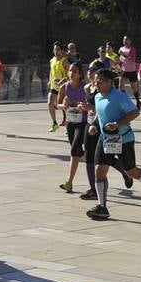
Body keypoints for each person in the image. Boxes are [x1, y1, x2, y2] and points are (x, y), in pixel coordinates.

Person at [85, 67, 141, 219]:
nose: (96, 84)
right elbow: (100, 114)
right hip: (105, 139)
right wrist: (94, 125)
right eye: (95, 81)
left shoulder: (119, 96)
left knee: (130, 172)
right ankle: (102, 207)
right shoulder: (97, 96)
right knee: (99, 170)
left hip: (124, 139)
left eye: (99, 81)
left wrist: (117, 124)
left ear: (109, 82)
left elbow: (135, 112)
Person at [58, 63, 91, 194]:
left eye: (75, 71)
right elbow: (57, 104)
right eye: (70, 70)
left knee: (74, 149)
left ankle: (69, 181)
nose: (71, 73)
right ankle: (70, 183)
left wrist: (84, 106)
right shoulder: (63, 87)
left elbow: (91, 104)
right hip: (70, 123)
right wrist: (64, 105)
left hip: (83, 122)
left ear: (80, 74)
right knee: (76, 152)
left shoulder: (85, 87)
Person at [47, 42, 69, 131]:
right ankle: (54, 123)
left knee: (64, 106)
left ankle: (69, 124)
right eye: (55, 49)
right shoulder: (52, 60)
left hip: (63, 87)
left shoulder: (65, 61)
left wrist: (61, 80)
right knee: (50, 103)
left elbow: (70, 75)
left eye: (58, 49)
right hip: (54, 86)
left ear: (61, 51)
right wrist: (49, 80)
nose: (56, 51)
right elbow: (51, 71)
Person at [118, 36, 141, 105]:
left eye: (126, 39)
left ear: (130, 41)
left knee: (133, 87)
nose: (125, 41)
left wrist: (123, 54)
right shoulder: (121, 48)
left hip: (131, 70)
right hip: (123, 70)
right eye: (124, 39)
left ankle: (138, 101)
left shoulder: (132, 49)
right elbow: (120, 59)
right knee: (120, 86)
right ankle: (124, 100)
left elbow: (132, 60)